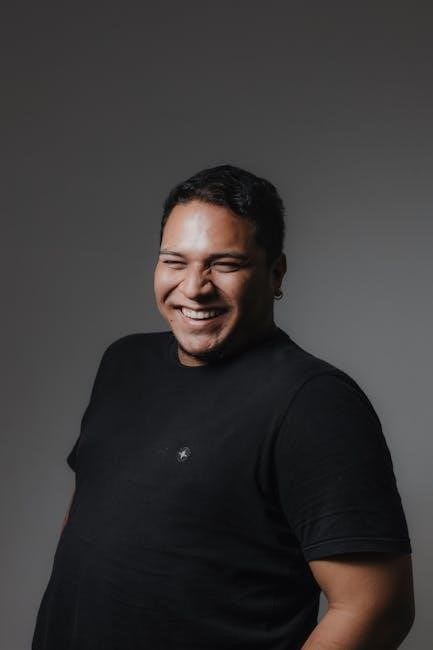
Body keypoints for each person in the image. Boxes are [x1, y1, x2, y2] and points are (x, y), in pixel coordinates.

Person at [32, 164, 414, 649]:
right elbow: (88, 519)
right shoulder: (123, 362)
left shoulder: (314, 402)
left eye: (225, 264)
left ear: (275, 273)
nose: (194, 287)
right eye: (175, 261)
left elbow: (377, 609)